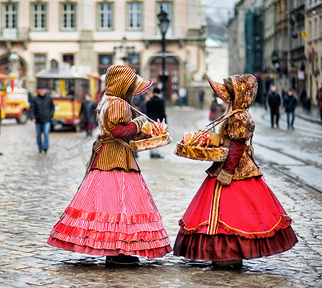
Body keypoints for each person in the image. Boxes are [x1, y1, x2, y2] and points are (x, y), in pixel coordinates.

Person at [47, 65, 172, 265]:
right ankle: (118, 251)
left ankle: (114, 250)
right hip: (116, 158)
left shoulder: (107, 101)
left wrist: (142, 131)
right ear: (124, 86)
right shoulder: (119, 104)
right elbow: (118, 131)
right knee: (121, 204)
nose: (133, 92)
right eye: (131, 87)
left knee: (108, 204)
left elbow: (120, 130)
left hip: (108, 155)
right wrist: (140, 123)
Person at [173, 74, 297, 269]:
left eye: (230, 94)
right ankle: (229, 254)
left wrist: (228, 171)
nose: (226, 98)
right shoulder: (235, 113)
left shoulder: (239, 116)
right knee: (233, 213)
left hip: (235, 169)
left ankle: (229, 254)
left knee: (232, 213)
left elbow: (237, 145)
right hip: (229, 164)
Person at [30, 83, 55, 153]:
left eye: (43, 90)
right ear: (38, 91)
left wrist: (50, 116)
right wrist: (33, 117)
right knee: (38, 135)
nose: (42, 91)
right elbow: (32, 109)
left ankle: (46, 147)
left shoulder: (49, 98)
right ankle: (40, 147)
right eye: (41, 90)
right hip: (38, 120)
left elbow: (52, 108)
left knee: (46, 133)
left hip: (47, 119)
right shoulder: (35, 99)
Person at [146, 86, 167, 159]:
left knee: (151, 137)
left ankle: (151, 152)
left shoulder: (149, 102)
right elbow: (163, 113)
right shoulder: (160, 101)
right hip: (158, 122)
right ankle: (156, 153)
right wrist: (165, 123)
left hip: (150, 121)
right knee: (157, 137)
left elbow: (147, 112)